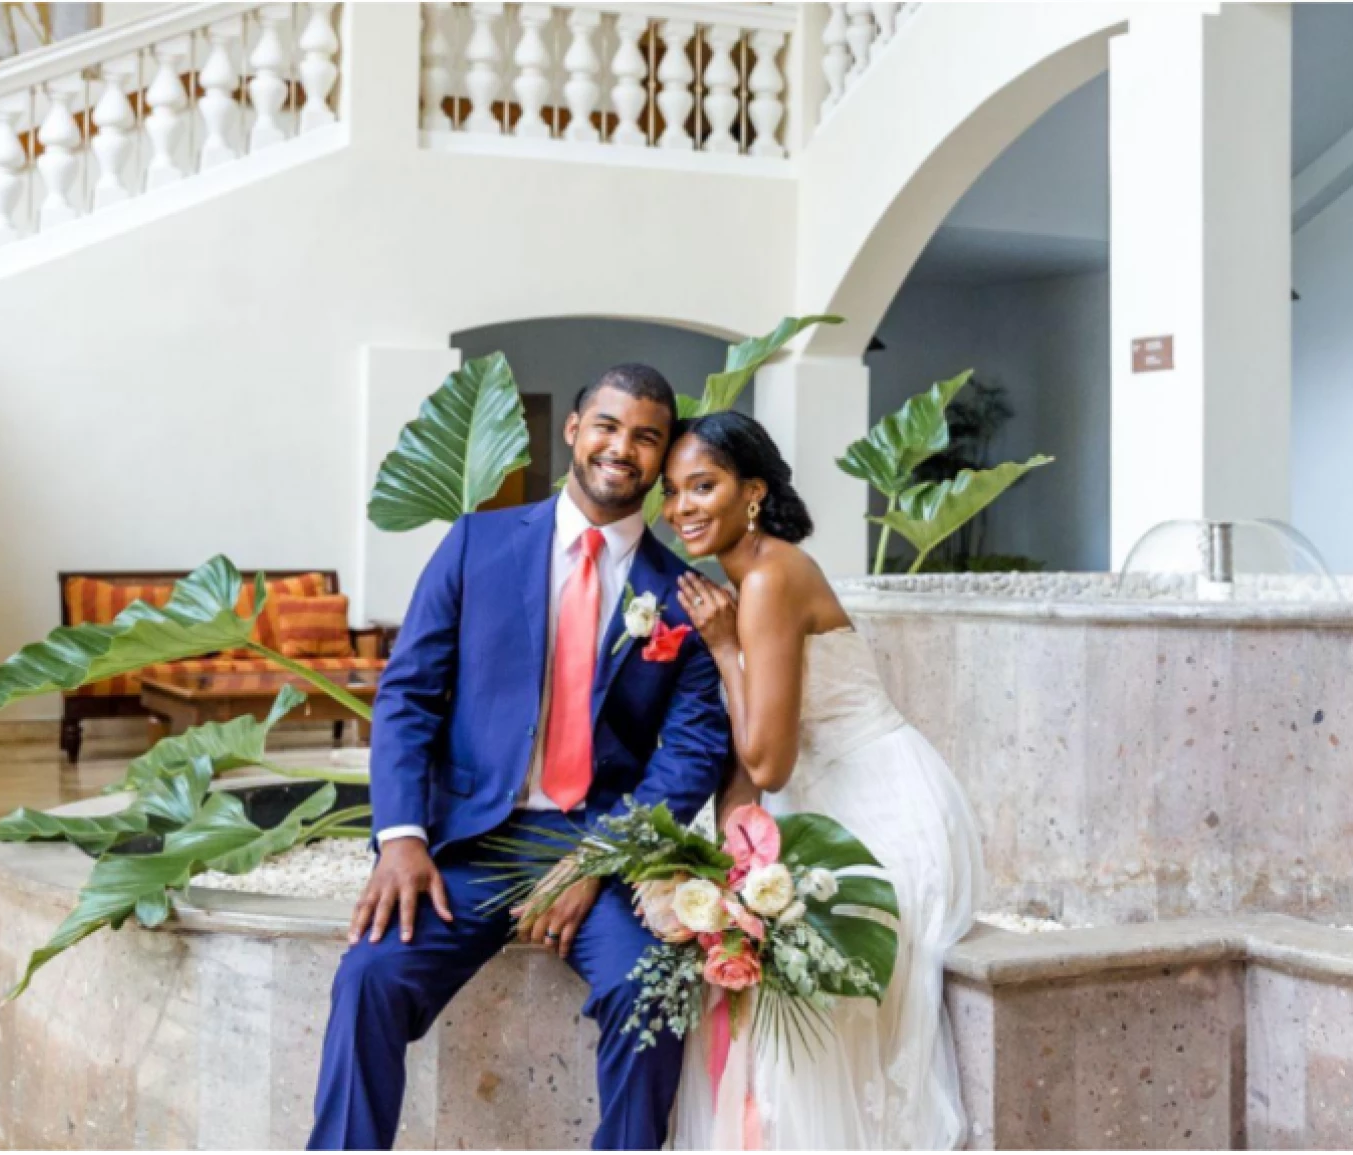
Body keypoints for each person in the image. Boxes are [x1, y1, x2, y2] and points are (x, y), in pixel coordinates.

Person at [308, 364, 733, 1151]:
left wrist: (598, 861)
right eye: (607, 425)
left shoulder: (684, 597)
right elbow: (408, 696)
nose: (622, 448)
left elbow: (697, 749)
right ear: (573, 431)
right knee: (368, 976)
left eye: (647, 436)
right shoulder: (478, 543)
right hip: (470, 840)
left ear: (663, 454)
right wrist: (401, 836)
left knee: (654, 985)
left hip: (597, 845)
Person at [661, 410, 986, 1151]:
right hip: (823, 799)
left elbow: (769, 761)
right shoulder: (747, 575)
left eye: (702, 485)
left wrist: (720, 649)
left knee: (799, 1020)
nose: (682, 508)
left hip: (881, 806)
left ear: (753, 491)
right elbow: (757, 771)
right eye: (674, 491)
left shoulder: (772, 577)